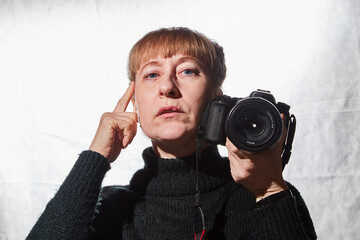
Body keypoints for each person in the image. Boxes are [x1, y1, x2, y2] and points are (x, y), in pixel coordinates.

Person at [27, 27, 317, 239]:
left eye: (188, 71)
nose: (167, 86)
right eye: (151, 74)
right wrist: (94, 158)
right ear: (134, 103)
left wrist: (269, 190)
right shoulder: (109, 208)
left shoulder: (265, 199)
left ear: (216, 98)